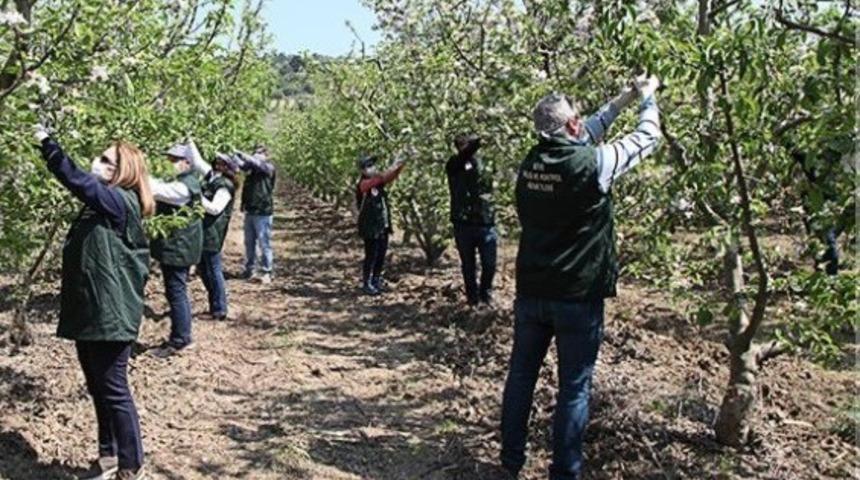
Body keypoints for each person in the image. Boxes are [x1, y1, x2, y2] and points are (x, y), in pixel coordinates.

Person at [500, 75, 662, 480]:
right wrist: (646, 100)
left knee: (521, 376)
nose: (583, 124)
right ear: (571, 125)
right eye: (578, 120)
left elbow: (583, 133)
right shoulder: (594, 165)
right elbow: (647, 138)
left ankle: (510, 460)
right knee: (574, 386)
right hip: (576, 296)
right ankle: (565, 472)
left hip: (533, 290)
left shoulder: (532, 163)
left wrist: (619, 101)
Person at [33, 125, 153, 480]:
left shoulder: (117, 200)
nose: (96, 164)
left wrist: (47, 144)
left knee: (113, 388)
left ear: (122, 172)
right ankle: (109, 457)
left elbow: (78, 182)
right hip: (94, 313)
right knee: (99, 386)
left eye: (105, 160)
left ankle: (130, 466)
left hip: (110, 315)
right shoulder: (103, 205)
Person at [149, 140, 207, 358]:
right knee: (177, 291)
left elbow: (157, 190)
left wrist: (133, 173)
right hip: (180, 247)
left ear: (186, 163)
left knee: (176, 292)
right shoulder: (185, 181)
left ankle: (181, 339)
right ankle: (181, 336)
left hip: (178, 248)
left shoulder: (184, 186)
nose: (169, 163)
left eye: (174, 160)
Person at [446, 133, 497, 307]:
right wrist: (482, 138)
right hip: (463, 223)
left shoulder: (485, 164)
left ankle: (486, 294)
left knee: (489, 263)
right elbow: (467, 153)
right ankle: (472, 299)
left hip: (485, 221)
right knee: (468, 265)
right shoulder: (454, 164)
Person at [197, 152, 241, 320]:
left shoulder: (224, 185)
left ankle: (220, 308)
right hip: (204, 230)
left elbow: (215, 208)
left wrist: (197, 197)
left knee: (213, 269)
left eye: (222, 163)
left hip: (213, 232)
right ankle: (214, 304)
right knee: (203, 268)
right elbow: (198, 161)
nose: (217, 164)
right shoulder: (212, 179)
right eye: (216, 162)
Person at [355, 153, 407, 295]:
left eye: (373, 165)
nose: (373, 168)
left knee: (381, 254)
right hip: (370, 227)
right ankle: (366, 282)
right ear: (363, 170)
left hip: (382, 225)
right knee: (371, 255)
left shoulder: (378, 182)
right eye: (369, 166)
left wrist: (401, 165)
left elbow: (390, 177)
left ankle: (376, 280)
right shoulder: (363, 184)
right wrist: (394, 164)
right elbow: (382, 177)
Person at [238, 146, 276, 284]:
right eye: (256, 152)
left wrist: (242, 154)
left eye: (260, 153)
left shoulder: (268, 168)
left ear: (266, 154)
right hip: (251, 210)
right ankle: (250, 269)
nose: (257, 155)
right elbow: (241, 168)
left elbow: (258, 163)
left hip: (263, 211)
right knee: (249, 242)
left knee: (263, 242)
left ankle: (267, 271)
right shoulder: (251, 170)